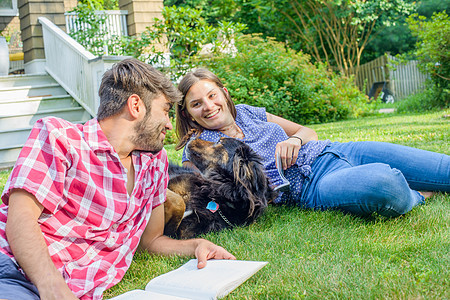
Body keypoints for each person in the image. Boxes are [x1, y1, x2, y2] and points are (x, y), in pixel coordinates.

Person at [0, 59, 235, 300]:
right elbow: (20, 220)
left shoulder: (155, 164)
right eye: (164, 110)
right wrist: (53, 287)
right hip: (13, 270)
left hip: (74, 289)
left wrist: (196, 246)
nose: (168, 123)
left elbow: (151, 241)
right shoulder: (60, 138)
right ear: (135, 105)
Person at [175, 68, 450, 218]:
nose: (208, 107)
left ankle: (421, 181)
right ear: (187, 113)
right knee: (382, 185)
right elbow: (208, 194)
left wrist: (294, 139)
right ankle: (419, 195)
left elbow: (308, 131)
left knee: (443, 167)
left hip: (336, 151)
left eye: (212, 96)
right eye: (197, 104)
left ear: (224, 93)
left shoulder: (247, 112)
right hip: (311, 186)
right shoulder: (199, 148)